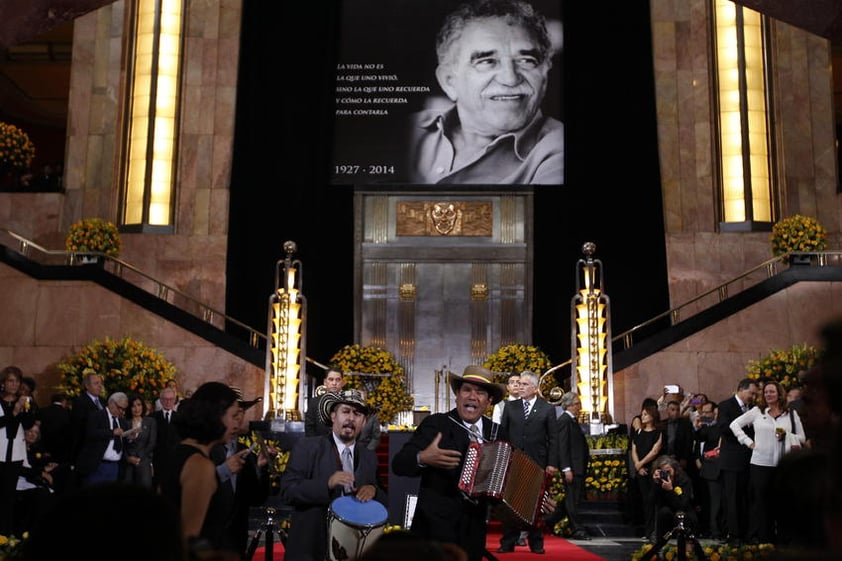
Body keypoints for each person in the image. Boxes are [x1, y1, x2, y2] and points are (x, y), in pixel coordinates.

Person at [404, 0, 563, 185]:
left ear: (544, 75)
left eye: (526, 60)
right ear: (449, 82)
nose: (510, 78)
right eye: (487, 61)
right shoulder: (408, 130)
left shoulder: (558, 150)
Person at [391, 366, 509, 561]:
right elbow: (399, 464)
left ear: (489, 401)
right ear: (457, 395)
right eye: (467, 390)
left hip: (474, 530)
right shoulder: (437, 424)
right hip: (433, 532)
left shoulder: (497, 433)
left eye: (480, 392)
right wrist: (422, 457)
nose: (472, 397)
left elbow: (504, 479)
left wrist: (531, 498)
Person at [280, 389, 387, 561]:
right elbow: (288, 491)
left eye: (357, 414)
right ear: (333, 416)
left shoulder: (369, 457)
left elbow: (384, 498)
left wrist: (373, 490)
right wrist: (326, 484)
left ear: (364, 422)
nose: (351, 418)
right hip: (311, 550)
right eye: (345, 411)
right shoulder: (307, 448)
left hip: (354, 551)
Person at [163, 381, 242, 556]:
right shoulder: (200, 465)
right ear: (217, 415)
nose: (237, 425)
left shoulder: (181, 452)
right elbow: (189, 538)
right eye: (234, 416)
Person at [728, 379, 804, 543]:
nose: (768, 394)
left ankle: (784, 539)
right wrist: (748, 442)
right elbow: (734, 425)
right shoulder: (757, 411)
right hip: (760, 464)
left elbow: (802, 438)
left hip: (783, 464)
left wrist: (787, 435)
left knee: (782, 502)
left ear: (779, 394)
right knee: (761, 503)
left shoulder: (791, 414)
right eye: (766, 392)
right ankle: (762, 538)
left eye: (772, 392)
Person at [497, 370, 558, 554]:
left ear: (534, 388)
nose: (519, 387)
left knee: (535, 504)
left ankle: (536, 543)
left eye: (523, 384)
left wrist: (551, 463)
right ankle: (508, 542)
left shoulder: (547, 409)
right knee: (510, 504)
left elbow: (553, 439)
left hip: (537, 463)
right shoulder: (510, 407)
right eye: (518, 384)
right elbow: (503, 435)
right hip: (514, 462)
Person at [210, 388, 273, 558]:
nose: (238, 418)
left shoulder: (246, 452)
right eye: (234, 413)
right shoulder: (207, 449)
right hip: (208, 538)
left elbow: (256, 498)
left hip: (236, 538)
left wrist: (261, 468)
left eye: (242, 412)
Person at [715, 377, 758, 545]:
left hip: (750, 459)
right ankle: (734, 535)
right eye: (751, 393)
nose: (752, 397)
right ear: (741, 389)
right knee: (732, 499)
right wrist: (743, 430)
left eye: (755, 394)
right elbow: (724, 428)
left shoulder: (754, 408)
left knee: (747, 499)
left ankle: (749, 533)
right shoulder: (725, 405)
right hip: (732, 459)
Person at [0, 365, 37, 535]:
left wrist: (24, 409)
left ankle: (6, 536)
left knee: (9, 498)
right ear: (4, 383)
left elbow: (29, 424)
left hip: (14, 455)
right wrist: (14, 412)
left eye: (17, 381)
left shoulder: (23, 401)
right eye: (11, 381)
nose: (14, 385)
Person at [555, 391, 590, 541]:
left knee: (572, 499)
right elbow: (562, 446)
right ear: (568, 405)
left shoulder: (572, 421)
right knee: (572, 499)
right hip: (572, 467)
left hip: (577, 466)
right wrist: (566, 468)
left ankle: (550, 521)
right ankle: (577, 529)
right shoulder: (564, 421)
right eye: (577, 404)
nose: (579, 407)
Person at [74, 391, 130, 485]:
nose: (122, 412)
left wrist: (129, 436)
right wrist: (112, 432)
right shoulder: (97, 416)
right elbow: (91, 433)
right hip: (98, 465)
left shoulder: (122, 421)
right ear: (111, 403)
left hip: (115, 466)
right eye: (120, 408)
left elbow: (122, 441)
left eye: (124, 409)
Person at [630, 401, 663, 543]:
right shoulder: (639, 433)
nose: (642, 417)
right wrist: (637, 465)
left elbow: (655, 451)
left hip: (653, 470)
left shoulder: (658, 432)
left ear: (652, 415)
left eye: (645, 414)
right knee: (645, 501)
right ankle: (647, 531)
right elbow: (634, 449)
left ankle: (655, 531)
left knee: (654, 500)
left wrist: (641, 464)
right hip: (641, 471)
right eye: (642, 414)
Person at [69, 369, 107, 479]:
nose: (100, 386)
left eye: (101, 383)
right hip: (86, 450)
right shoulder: (80, 402)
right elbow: (78, 428)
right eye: (96, 383)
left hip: (101, 450)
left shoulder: (103, 401)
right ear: (87, 386)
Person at [649, 454, 698, 540]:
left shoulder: (684, 480)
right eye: (663, 472)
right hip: (666, 512)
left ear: (674, 470)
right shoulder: (659, 481)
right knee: (664, 512)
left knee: (681, 515)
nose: (667, 475)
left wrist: (670, 490)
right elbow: (651, 502)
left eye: (668, 472)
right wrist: (656, 484)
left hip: (684, 511)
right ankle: (661, 541)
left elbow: (682, 505)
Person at [122, 393, 158, 488]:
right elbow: (122, 444)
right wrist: (128, 458)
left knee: (144, 495)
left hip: (143, 462)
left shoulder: (150, 422)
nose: (137, 409)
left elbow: (152, 443)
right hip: (128, 464)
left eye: (139, 405)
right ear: (129, 408)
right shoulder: (125, 423)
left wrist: (139, 458)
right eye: (133, 406)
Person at [153, 386, 182, 494]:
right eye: (165, 399)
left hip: (174, 462)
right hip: (157, 461)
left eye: (170, 399)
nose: (168, 402)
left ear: (174, 401)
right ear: (160, 400)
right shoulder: (153, 417)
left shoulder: (180, 418)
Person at [304, 368, 345, 437]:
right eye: (331, 379)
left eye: (337, 380)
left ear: (343, 383)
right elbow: (309, 428)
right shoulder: (314, 402)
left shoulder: (348, 402)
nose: (334, 383)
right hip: (319, 444)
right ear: (325, 382)